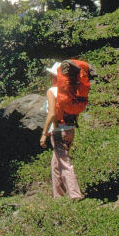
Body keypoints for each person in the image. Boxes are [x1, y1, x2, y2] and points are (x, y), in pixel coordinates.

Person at [40, 60, 85, 199]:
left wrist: (44, 133)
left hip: (59, 131)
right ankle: (58, 196)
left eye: (51, 75)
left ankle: (75, 195)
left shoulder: (52, 91)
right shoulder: (71, 90)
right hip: (70, 129)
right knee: (56, 163)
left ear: (55, 76)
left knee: (64, 163)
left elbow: (52, 113)